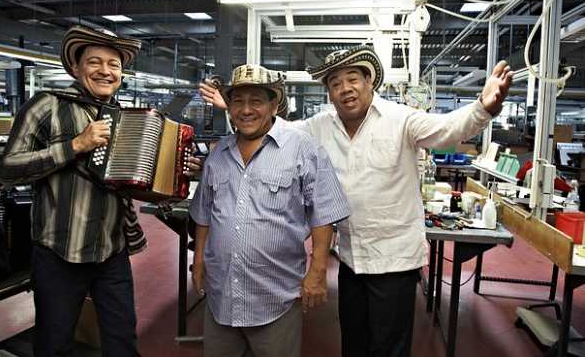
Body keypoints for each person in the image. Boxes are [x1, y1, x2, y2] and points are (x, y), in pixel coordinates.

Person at [199, 45, 513, 357]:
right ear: (329, 93)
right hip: (351, 259)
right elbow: (277, 130)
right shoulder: (320, 126)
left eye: (352, 79)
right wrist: (236, 108)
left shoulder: (400, 119)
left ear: (369, 82)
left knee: (388, 348)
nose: (345, 89)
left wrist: (483, 108)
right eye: (335, 83)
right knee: (354, 343)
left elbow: (448, 130)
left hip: (394, 261)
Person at [0, 25, 199, 356]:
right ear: (75, 67)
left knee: (122, 343)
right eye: (95, 62)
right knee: (54, 344)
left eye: (113, 64)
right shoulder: (46, 106)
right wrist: (75, 145)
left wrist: (175, 176)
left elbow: (132, 183)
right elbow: (7, 169)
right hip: (59, 252)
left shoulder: (127, 118)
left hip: (111, 251)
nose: (105, 71)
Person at [190, 64, 350, 357]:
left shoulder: (303, 148)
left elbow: (323, 212)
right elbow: (204, 214)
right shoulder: (218, 154)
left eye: (256, 101)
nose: (246, 110)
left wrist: (317, 272)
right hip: (221, 293)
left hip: (275, 296)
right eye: (238, 101)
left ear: (274, 105)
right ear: (229, 108)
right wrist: (199, 261)